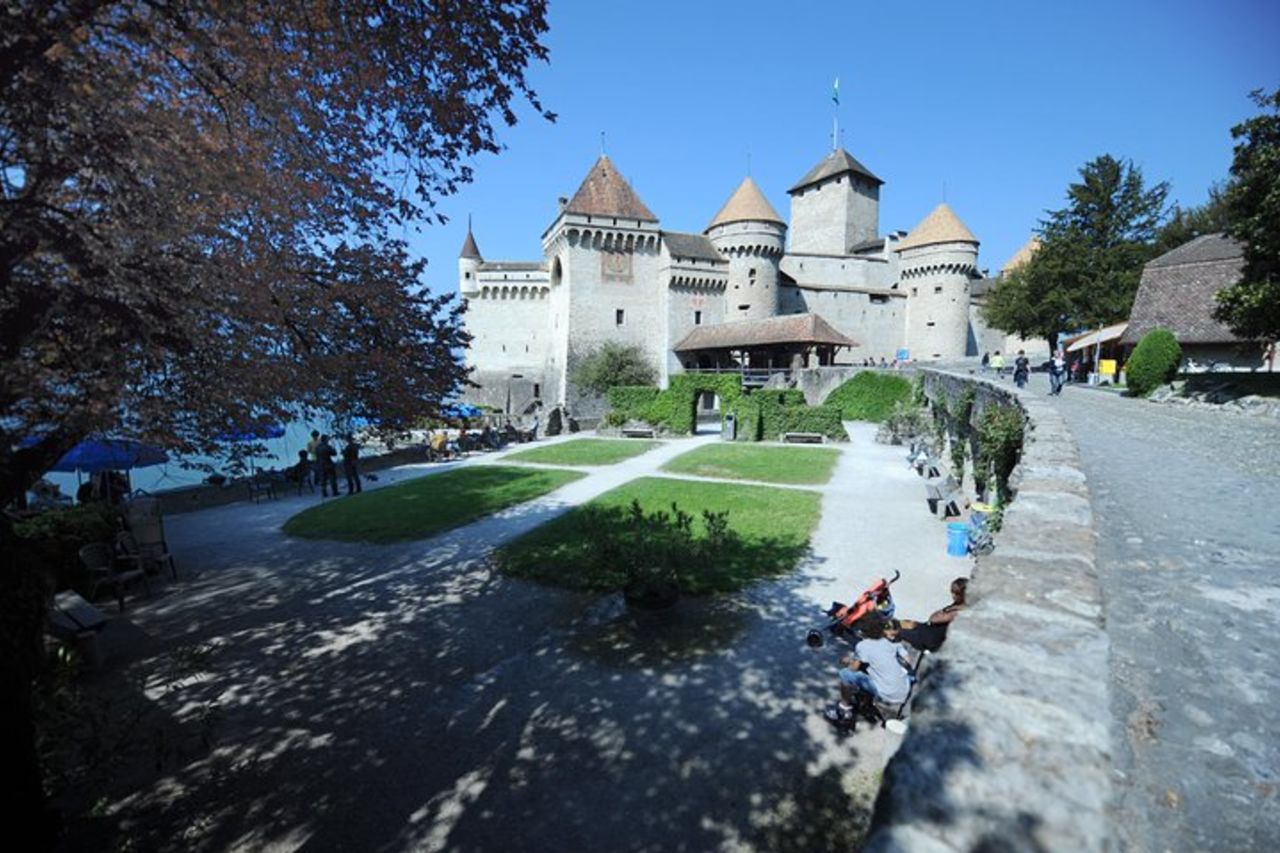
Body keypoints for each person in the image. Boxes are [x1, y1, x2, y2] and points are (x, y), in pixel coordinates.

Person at [825, 617, 912, 723]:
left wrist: (847, 661)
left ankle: (844, 708)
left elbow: (853, 668)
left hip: (888, 694)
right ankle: (864, 700)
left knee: (845, 674)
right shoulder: (891, 643)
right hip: (903, 688)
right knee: (869, 669)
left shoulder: (863, 646)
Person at [895, 577, 968, 652]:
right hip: (926, 630)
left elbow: (934, 619)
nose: (953, 595)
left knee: (896, 632)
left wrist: (946, 611)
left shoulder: (962, 611)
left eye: (957, 593)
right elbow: (933, 617)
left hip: (929, 639)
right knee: (900, 623)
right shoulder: (956, 605)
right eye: (952, 591)